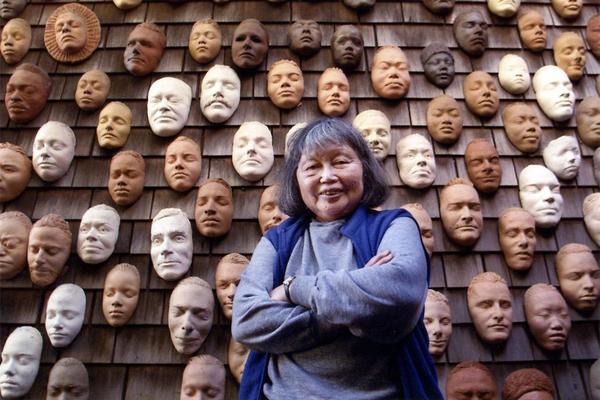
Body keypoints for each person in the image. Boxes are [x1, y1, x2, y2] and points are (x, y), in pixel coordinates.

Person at [232, 118, 441, 399]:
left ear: (365, 169)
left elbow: (400, 295)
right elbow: (246, 321)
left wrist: (294, 288)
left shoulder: (395, 226)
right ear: (296, 178)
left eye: (340, 162)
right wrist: (357, 305)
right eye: (312, 167)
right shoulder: (277, 241)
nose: (327, 176)